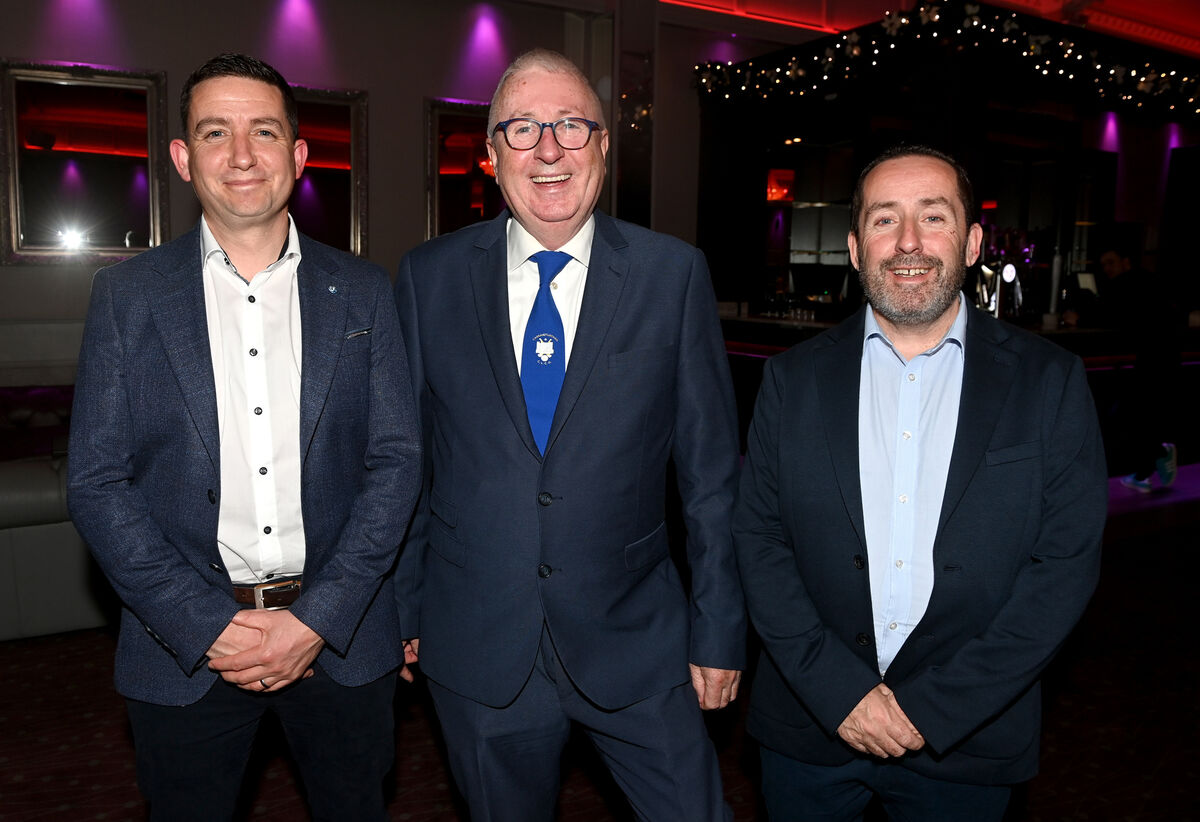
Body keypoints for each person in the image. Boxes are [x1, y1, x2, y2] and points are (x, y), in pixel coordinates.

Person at [393, 48, 744, 822]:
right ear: (490, 155)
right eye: (522, 128)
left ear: (604, 146)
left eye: (572, 126)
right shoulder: (428, 278)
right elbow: (406, 461)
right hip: (477, 643)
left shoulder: (672, 274)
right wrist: (406, 611)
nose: (548, 149)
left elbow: (712, 477)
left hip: (638, 642)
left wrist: (719, 629)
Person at [67, 53, 420, 821]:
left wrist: (316, 619)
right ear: (183, 159)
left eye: (263, 131)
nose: (240, 154)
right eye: (215, 132)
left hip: (341, 639)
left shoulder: (363, 289)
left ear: (298, 154)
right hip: (184, 649)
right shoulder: (126, 297)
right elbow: (96, 482)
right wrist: (206, 627)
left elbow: (396, 463)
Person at [732, 145, 1107, 821]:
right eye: (884, 220)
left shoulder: (1049, 382)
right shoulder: (791, 382)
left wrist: (934, 709)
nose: (908, 242)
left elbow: (1064, 567)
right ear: (854, 247)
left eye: (933, 217)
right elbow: (759, 543)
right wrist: (839, 692)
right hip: (811, 730)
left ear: (971, 243)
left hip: (968, 741)